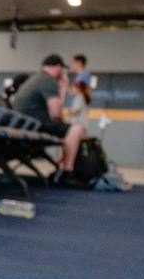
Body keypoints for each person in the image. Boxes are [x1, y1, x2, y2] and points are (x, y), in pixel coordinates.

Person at [11, 54, 85, 184]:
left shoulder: (36, 79)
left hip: (25, 123)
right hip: (34, 124)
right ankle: (67, 172)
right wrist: (62, 88)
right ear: (58, 67)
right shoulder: (48, 81)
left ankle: (62, 168)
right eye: (62, 69)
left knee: (68, 131)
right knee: (76, 130)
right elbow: (56, 114)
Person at [64, 53, 92, 130]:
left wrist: (64, 82)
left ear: (79, 63)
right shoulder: (80, 76)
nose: (71, 65)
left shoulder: (84, 75)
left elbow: (72, 91)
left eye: (73, 62)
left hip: (79, 118)